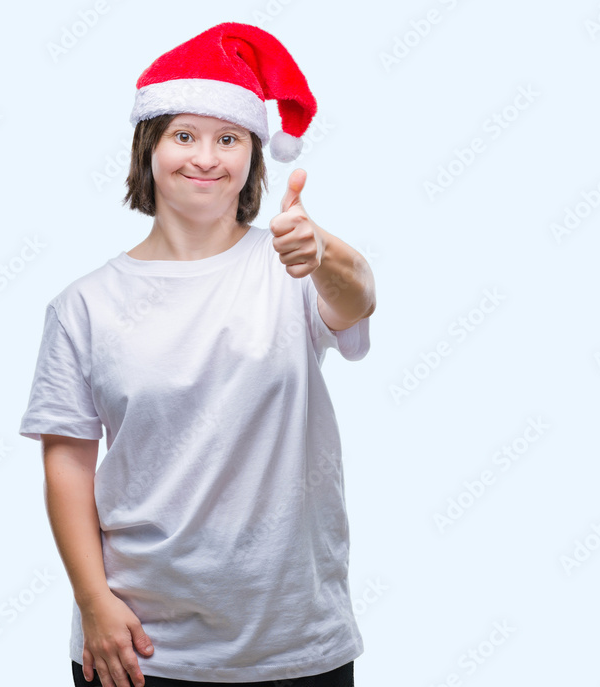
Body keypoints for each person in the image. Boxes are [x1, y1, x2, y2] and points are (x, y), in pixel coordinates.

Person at [19, 22, 376, 687]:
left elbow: (356, 299)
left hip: (295, 642)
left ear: (251, 155)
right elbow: (66, 463)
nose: (206, 158)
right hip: (137, 647)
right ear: (148, 149)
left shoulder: (289, 267)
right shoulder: (84, 305)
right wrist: (95, 602)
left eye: (228, 139)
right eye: (184, 136)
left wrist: (323, 251)